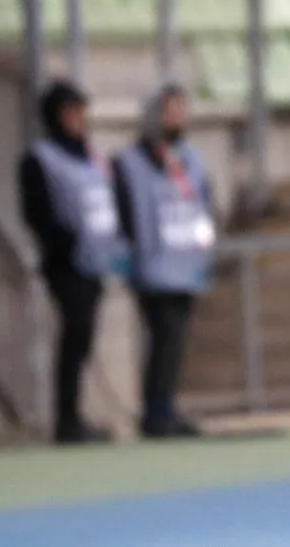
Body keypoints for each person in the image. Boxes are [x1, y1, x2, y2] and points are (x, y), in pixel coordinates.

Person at [18, 78, 122, 445]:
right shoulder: (40, 158)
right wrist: (67, 243)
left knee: (83, 338)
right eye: (71, 111)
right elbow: (37, 213)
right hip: (68, 264)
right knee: (74, 335)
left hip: (95, 261)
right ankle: (67, 420)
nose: (78, 118)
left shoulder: (90, 155)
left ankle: (76, 416)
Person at [111, 84, 213, 439]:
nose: (178, 118)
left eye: (182, 110)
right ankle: (155, 413)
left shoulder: (190, 160)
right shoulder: (131, 162)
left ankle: (164, 407)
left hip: (186, 263)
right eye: (171, 110)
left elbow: (204, 204)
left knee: (175, 342)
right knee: (163, 337)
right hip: (153, 266)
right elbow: (124, 212)